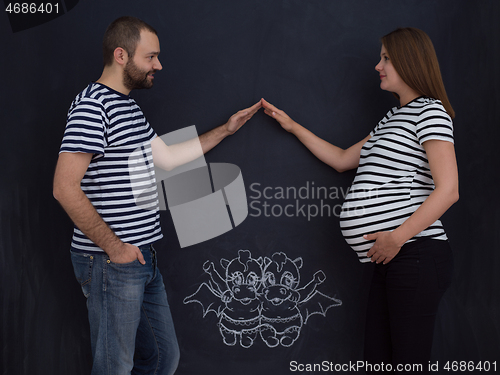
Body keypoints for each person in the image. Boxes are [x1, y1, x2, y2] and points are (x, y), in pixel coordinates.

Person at [53, 16, 260, 375]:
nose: (158, 65)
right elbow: (63, 187)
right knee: (114, 367)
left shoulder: (128, 107)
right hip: (111, 263)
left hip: (143, 258)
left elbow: (166, 158)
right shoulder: (92, 107)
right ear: (121, 55)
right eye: (151, 57)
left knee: (164, 359)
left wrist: (225, 131)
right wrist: (115, 249)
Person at [262, 27, 458, 374]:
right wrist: (292, 126)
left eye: (385, 58)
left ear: (409, 62)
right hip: (390, 257)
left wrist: (396, 237)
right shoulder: (392, 118)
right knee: (379, 361)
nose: (377, 65)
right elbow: (341, 159)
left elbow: (449, 190)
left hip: (414, 252)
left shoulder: (430, 112)